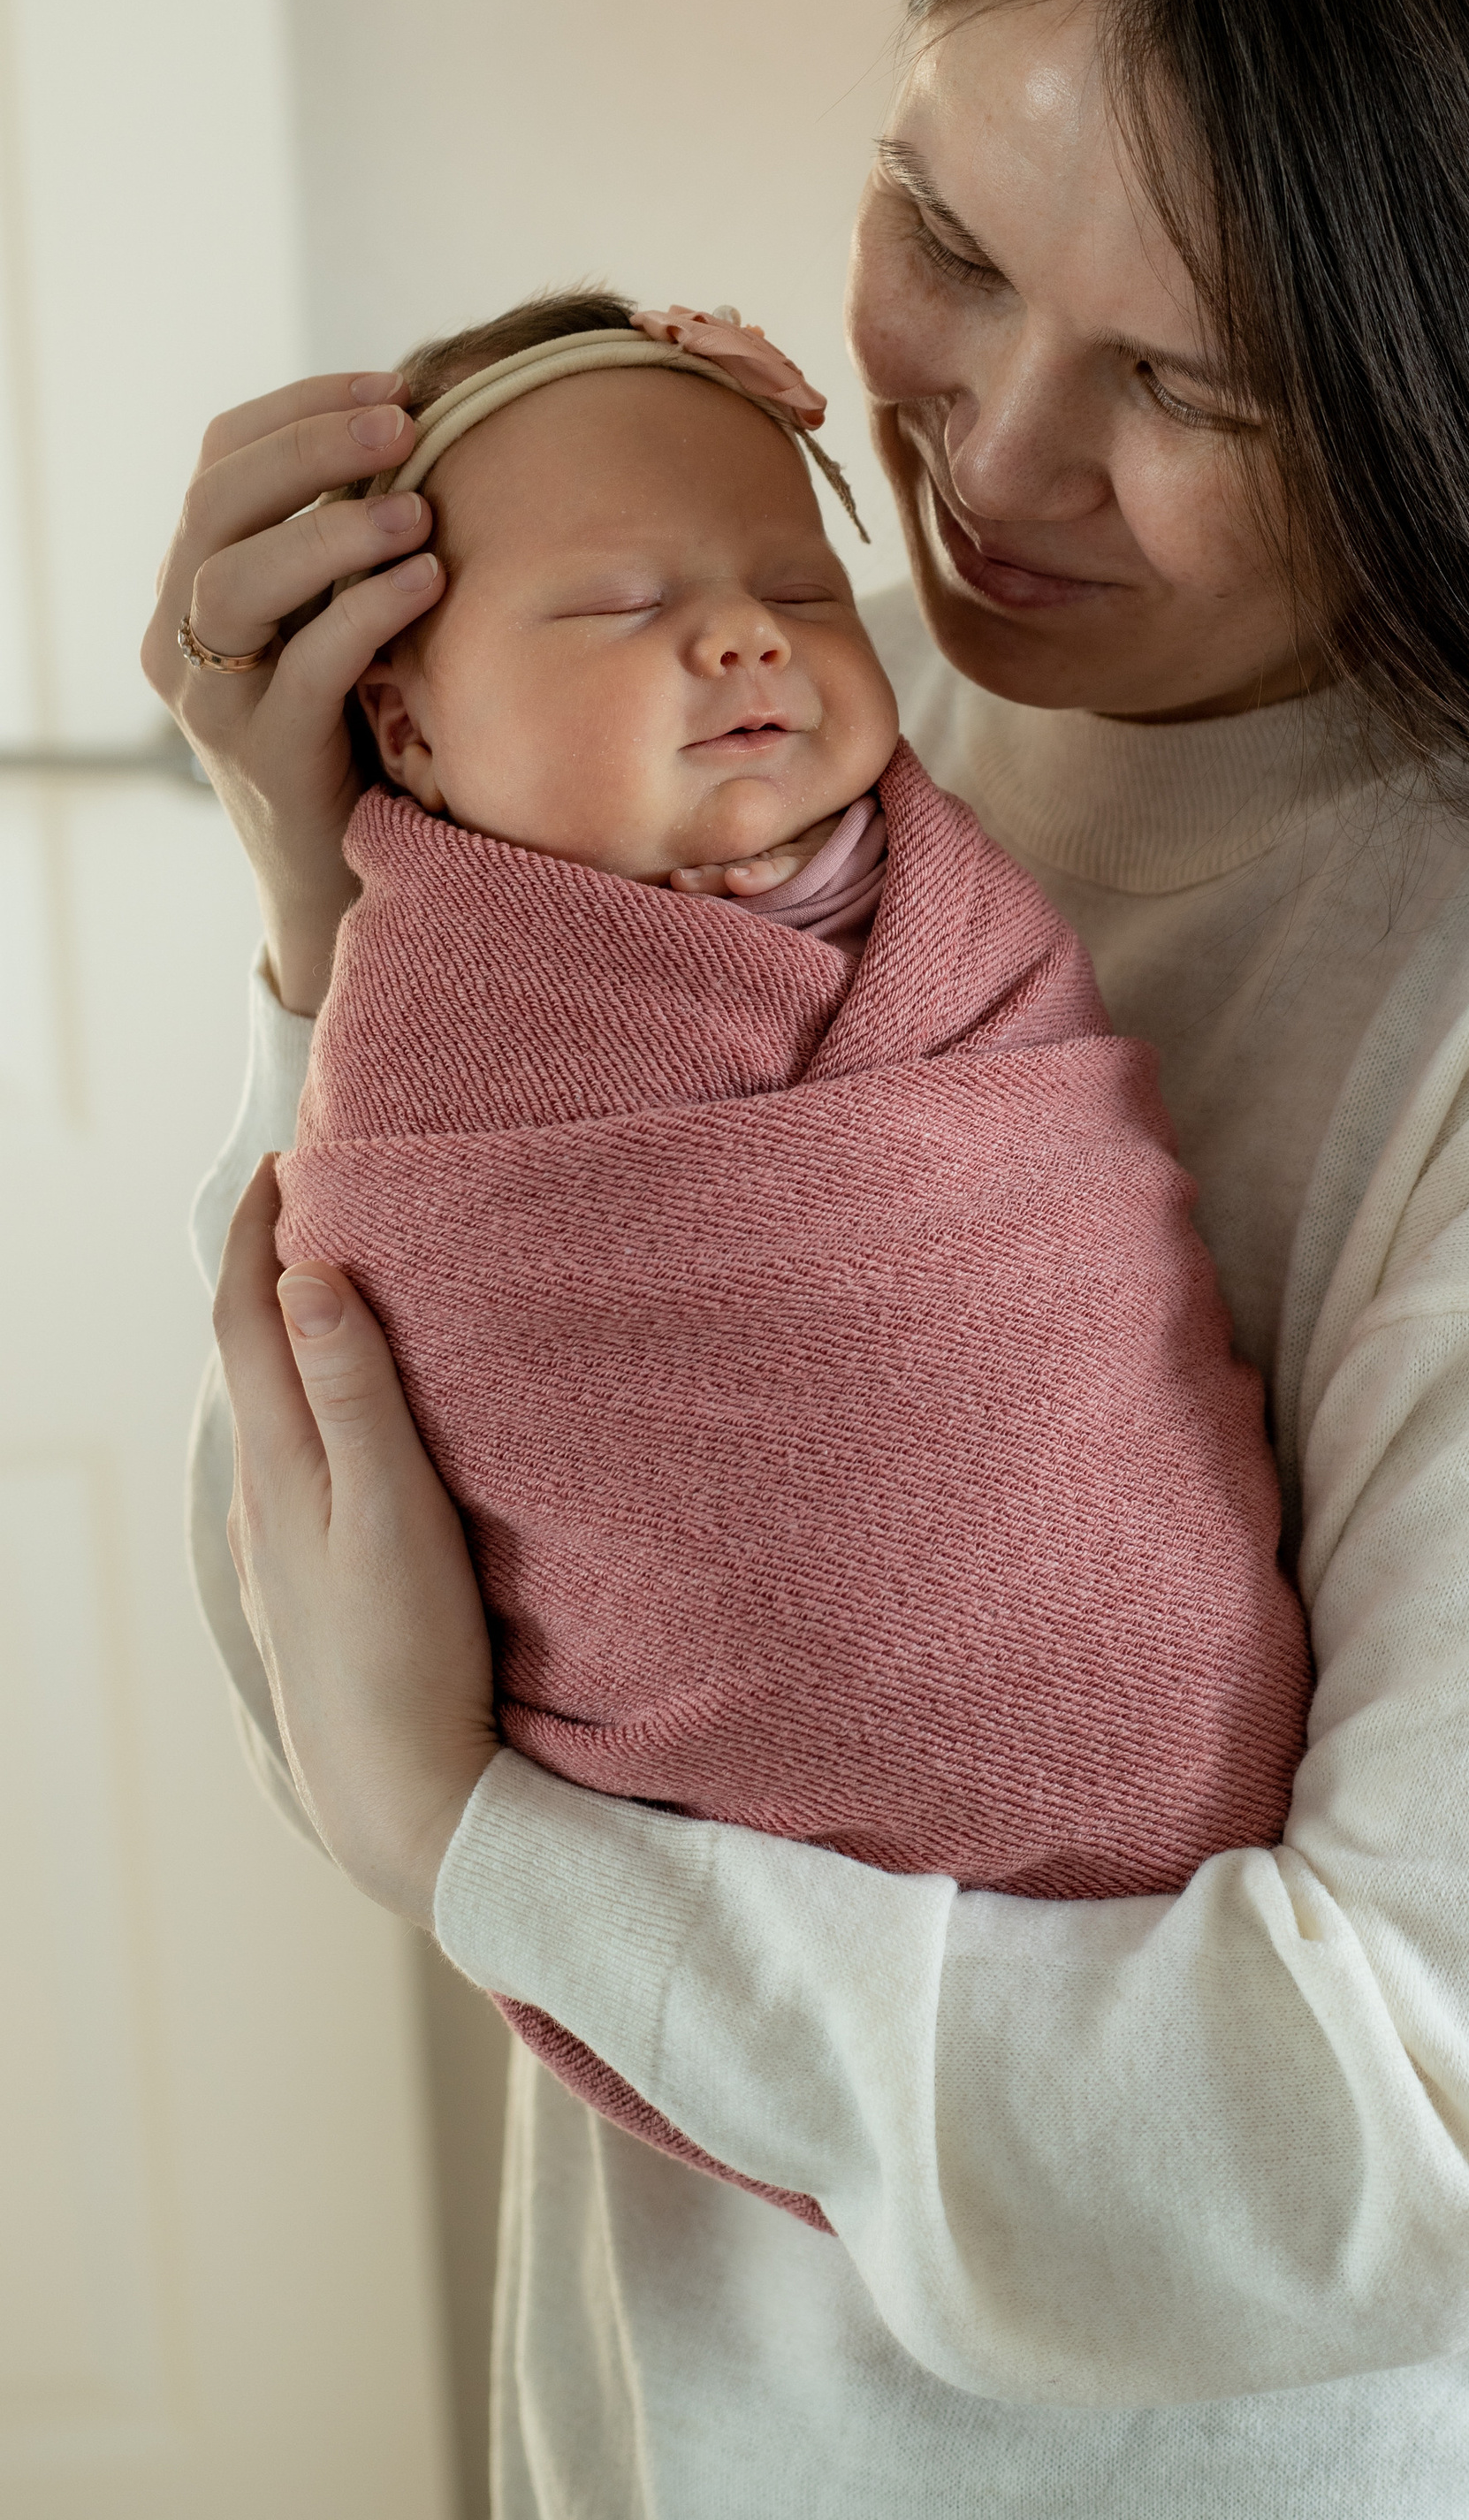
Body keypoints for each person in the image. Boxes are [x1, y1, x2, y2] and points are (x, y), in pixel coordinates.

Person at [150, 0, 1469, 2518]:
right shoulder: (814, 785)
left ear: (1459, 389)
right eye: (951, 244)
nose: (992, 457)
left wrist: (482, 1854)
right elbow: (373, 1612)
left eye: (1203, 381)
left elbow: (1405, 2132)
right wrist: (358, 918)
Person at [276, 281, 1308, 2206]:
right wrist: (288, 871)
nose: (745, 633)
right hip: (729, 1911)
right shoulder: (431, 1036)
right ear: (403, 727)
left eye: (796, 586)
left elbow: (1058, 1248)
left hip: (1194, 1887)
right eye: (614, 606)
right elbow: (315, 1580)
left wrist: (432, 1817)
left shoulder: (954, 875)